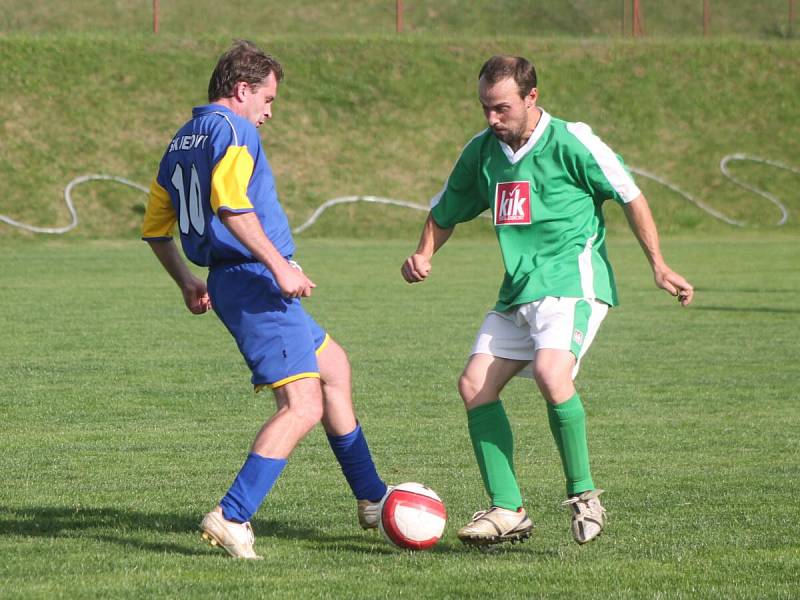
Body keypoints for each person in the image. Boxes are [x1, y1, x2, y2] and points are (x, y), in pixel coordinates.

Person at [401, 55, 694, 548]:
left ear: (531, 98)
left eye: (502, 108)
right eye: (485, 108)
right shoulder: (482, 152)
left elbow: (630, 194)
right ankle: (508, 509)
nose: (492, 119)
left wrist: (659, 265)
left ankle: (584, 496)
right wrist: (424, 252)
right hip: (519, 291)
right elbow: (445, 207)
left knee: (550, 373)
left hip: (573, 283)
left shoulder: (572, 140)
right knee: (474, 385)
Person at [142, 40, 389, 559]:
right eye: (268, 100)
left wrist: (187, 281)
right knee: (302, 404)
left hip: (234, 279)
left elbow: (156, 229)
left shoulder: (181, 140)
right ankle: (233, 514)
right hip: (255, 280)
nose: (269, 113)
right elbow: (232, 206)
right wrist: (279, 267)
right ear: (242, 90)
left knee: (335, 368)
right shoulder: (234, 130)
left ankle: (372, 497)